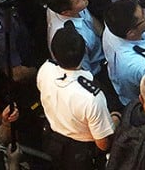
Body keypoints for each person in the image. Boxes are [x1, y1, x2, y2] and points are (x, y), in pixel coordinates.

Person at [38, 26, 114, 168]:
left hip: (52, 141)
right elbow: (103, 144)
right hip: (82, 153)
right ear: (83, 52)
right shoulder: (91, 97)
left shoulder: (45, 70)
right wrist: (116, 118)